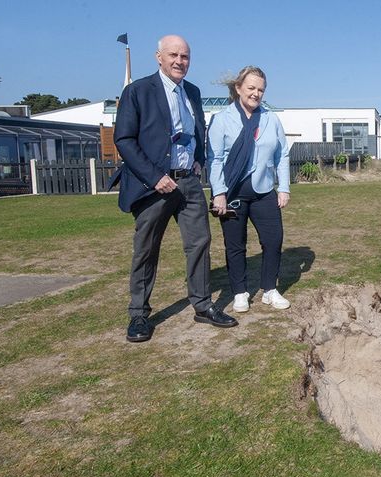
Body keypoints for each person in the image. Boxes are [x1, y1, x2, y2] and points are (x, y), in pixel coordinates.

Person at [112, 35, 237, 342]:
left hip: (189, 183)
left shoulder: (192, 92)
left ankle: (203, 305)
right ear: (158, 57)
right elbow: (124, 139)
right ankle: (139, 314)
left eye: (185, 56)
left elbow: (197, 130)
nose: (180, 61)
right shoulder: (138, 91)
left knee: (200, 243)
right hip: (153, 186)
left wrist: (197, 160)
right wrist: (155, 177)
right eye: (173, 55)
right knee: (146, 249)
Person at [207, 66, 291, 312]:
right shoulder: (221, 119)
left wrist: (283, 187)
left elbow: (282, 155)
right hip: (232, 193)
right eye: (251, 88)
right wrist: (219, 193)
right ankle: (240, 292)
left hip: (264, 191)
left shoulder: (270, 119)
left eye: (261, 90)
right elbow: (215, 159)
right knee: (235, 245)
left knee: (273, 241)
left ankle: (270, 290)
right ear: (238, 88)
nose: (256, 93)